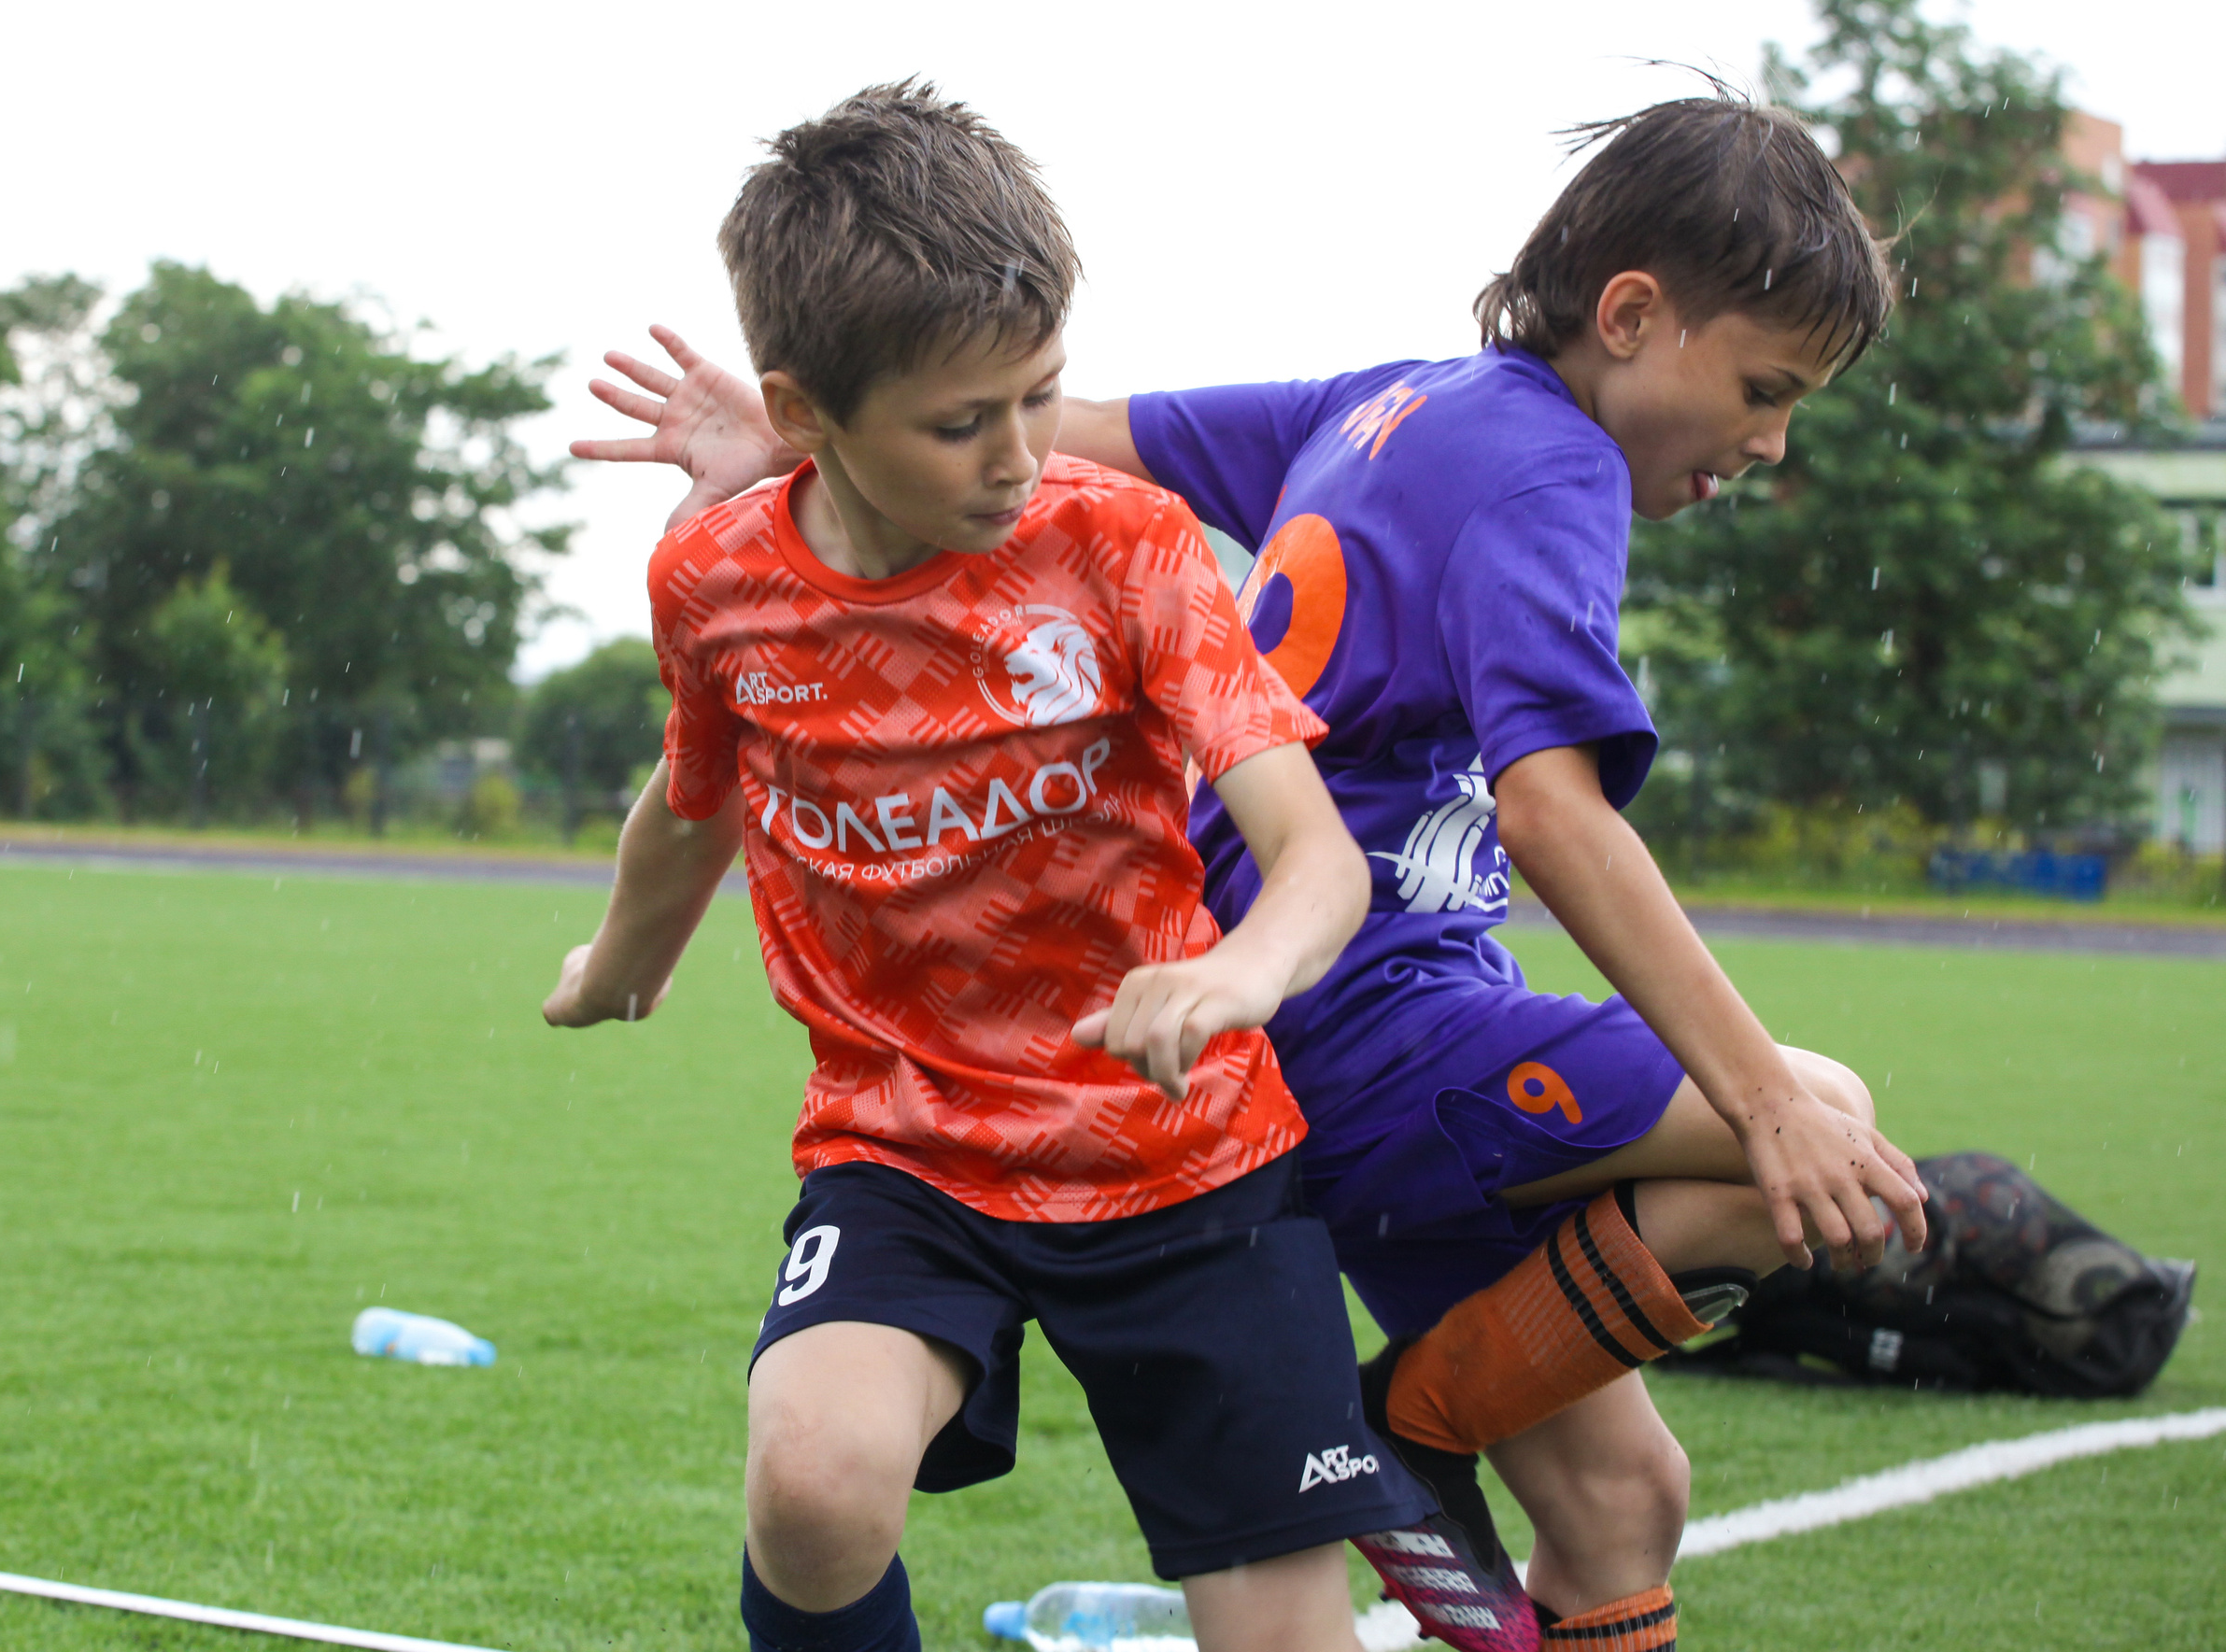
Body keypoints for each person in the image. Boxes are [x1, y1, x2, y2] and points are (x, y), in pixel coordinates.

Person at [571, 92, 1937, 1652]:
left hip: (1277, 988)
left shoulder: (1388, 401)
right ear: (1631, 313)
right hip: (1358, 1010)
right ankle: (1413, 1426)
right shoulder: (1548, 466)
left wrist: (795, 458)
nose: (1771, 441)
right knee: (1817, 1127)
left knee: (1625, 1489)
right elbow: (1557, 815)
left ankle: (1428, 1417)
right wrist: (1757, 1097)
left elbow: (1069, 437)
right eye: (1766, 389)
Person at [540, 81, 1519, 1652]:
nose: (1018, 455)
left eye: (1039, 397)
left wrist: (1238, 970)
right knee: (812, 1483)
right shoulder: (715, 581)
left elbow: (1316, 857)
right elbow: (690, 798)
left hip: (1190, 1159)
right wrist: (618, 965)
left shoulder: (1123, 547)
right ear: (803, 417)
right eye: (960, 421)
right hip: (906, 1151)